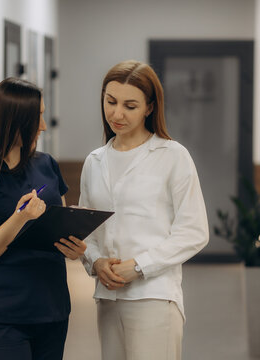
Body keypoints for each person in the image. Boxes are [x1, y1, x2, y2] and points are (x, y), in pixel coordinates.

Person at [79, 60, 209, 360]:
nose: (117, 113)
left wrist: (139, 265)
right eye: (110, 102)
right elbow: (88, 229)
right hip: (107, 297)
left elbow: (194, 231)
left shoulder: (172, 156)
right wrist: (97, 262)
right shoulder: (94, 161)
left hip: (155, 295)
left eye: (130, 105)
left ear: (150, 108)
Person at [0, 78, 86, 360]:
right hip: (1, 316)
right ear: (14, 121)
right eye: (37, 117)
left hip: (52, 309)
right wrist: (18, 218)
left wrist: (74, 247)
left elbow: (56, 230)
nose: (43, 126)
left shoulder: (46, 164)